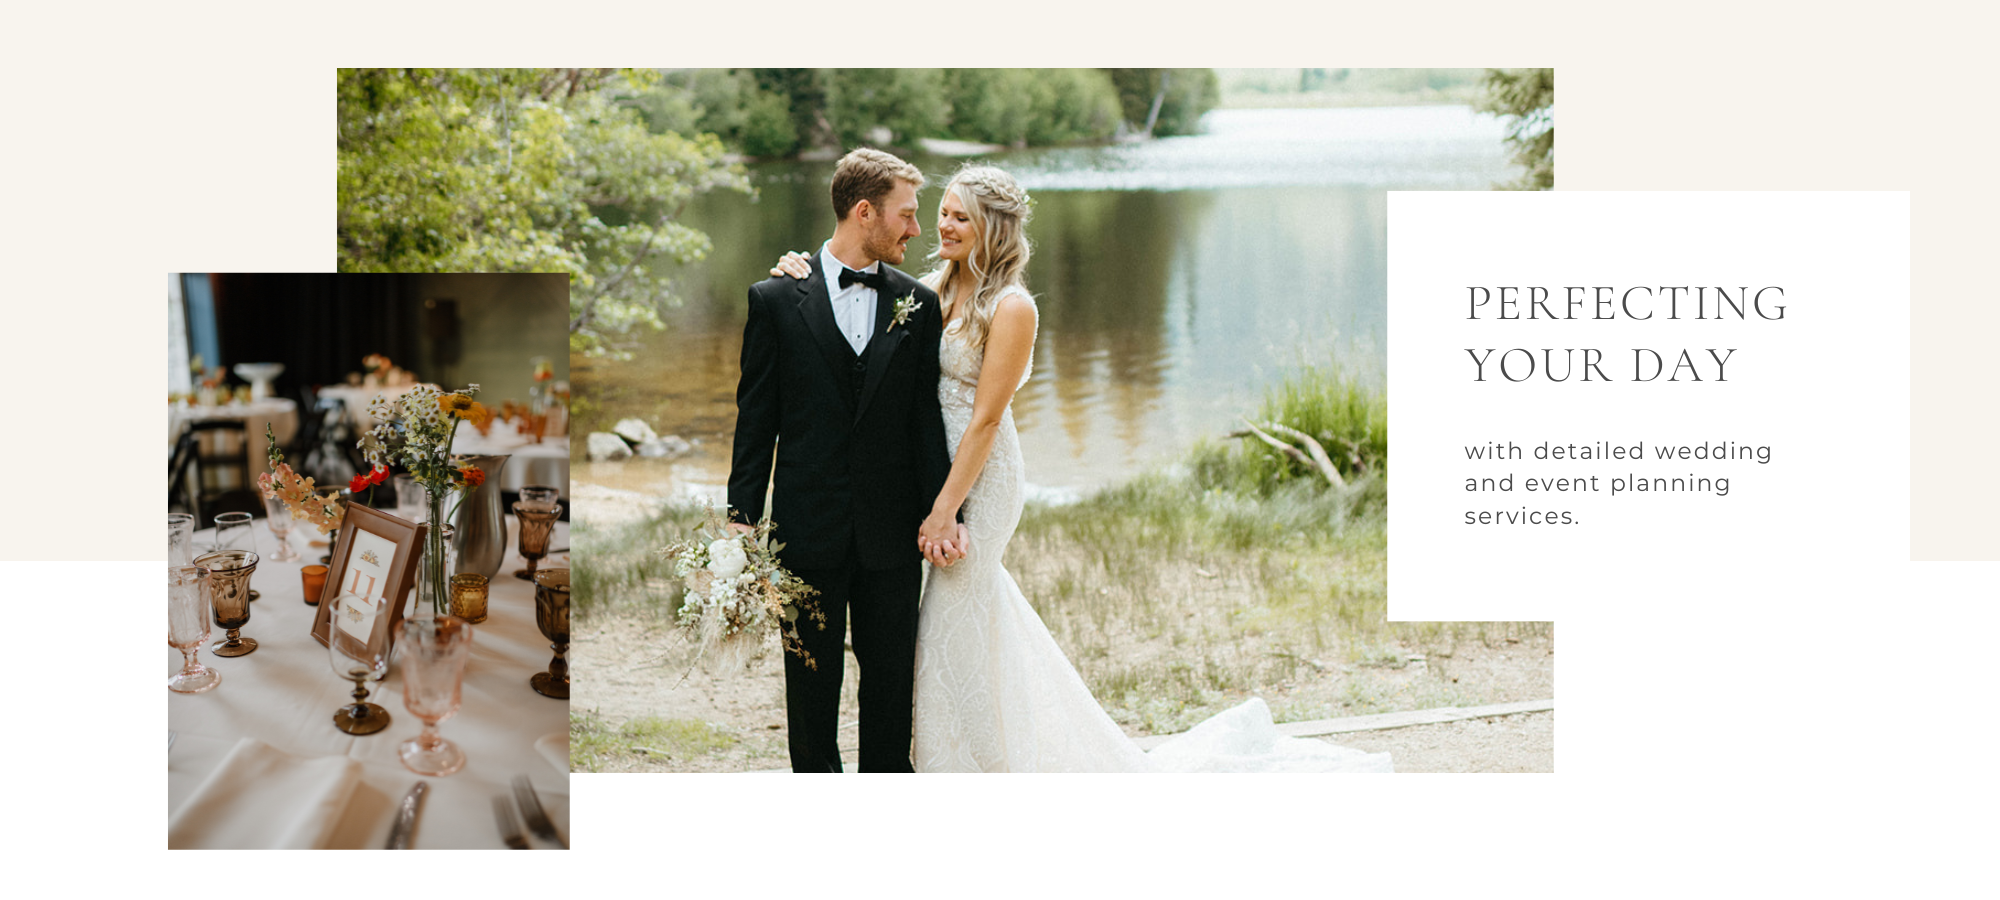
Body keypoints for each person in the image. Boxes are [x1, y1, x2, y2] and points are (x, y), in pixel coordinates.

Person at [771, 163, 1392, 772]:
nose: (945, 227)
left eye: (961, 218)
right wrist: (800, 272)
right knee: (952, 626)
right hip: (931, 472)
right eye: (941, 215)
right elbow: (849, 300)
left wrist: (943, 511)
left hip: (978, 480)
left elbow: (986, 419)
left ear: (993, 229)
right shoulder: (932, 288)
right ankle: (966, 753)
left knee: (950, 618)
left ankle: (970, 764)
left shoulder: (1012, 307)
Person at [727, 148, 967, 773]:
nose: (918, 230)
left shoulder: (920, 304)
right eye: (907, 215)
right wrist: (741, 520)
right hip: (806, 532)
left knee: (890, 686)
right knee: (810, 691)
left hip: (892, 534)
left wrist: (946, 512)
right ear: (866, 213)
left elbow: (925, 423)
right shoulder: (775, 300)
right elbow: (756, 422)